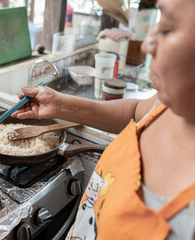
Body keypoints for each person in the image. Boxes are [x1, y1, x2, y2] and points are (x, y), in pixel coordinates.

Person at [12, 0, 195, 239]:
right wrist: (61, 104)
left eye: (167, 27)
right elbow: (135, 111)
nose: (147, 45)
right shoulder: (165, 103)